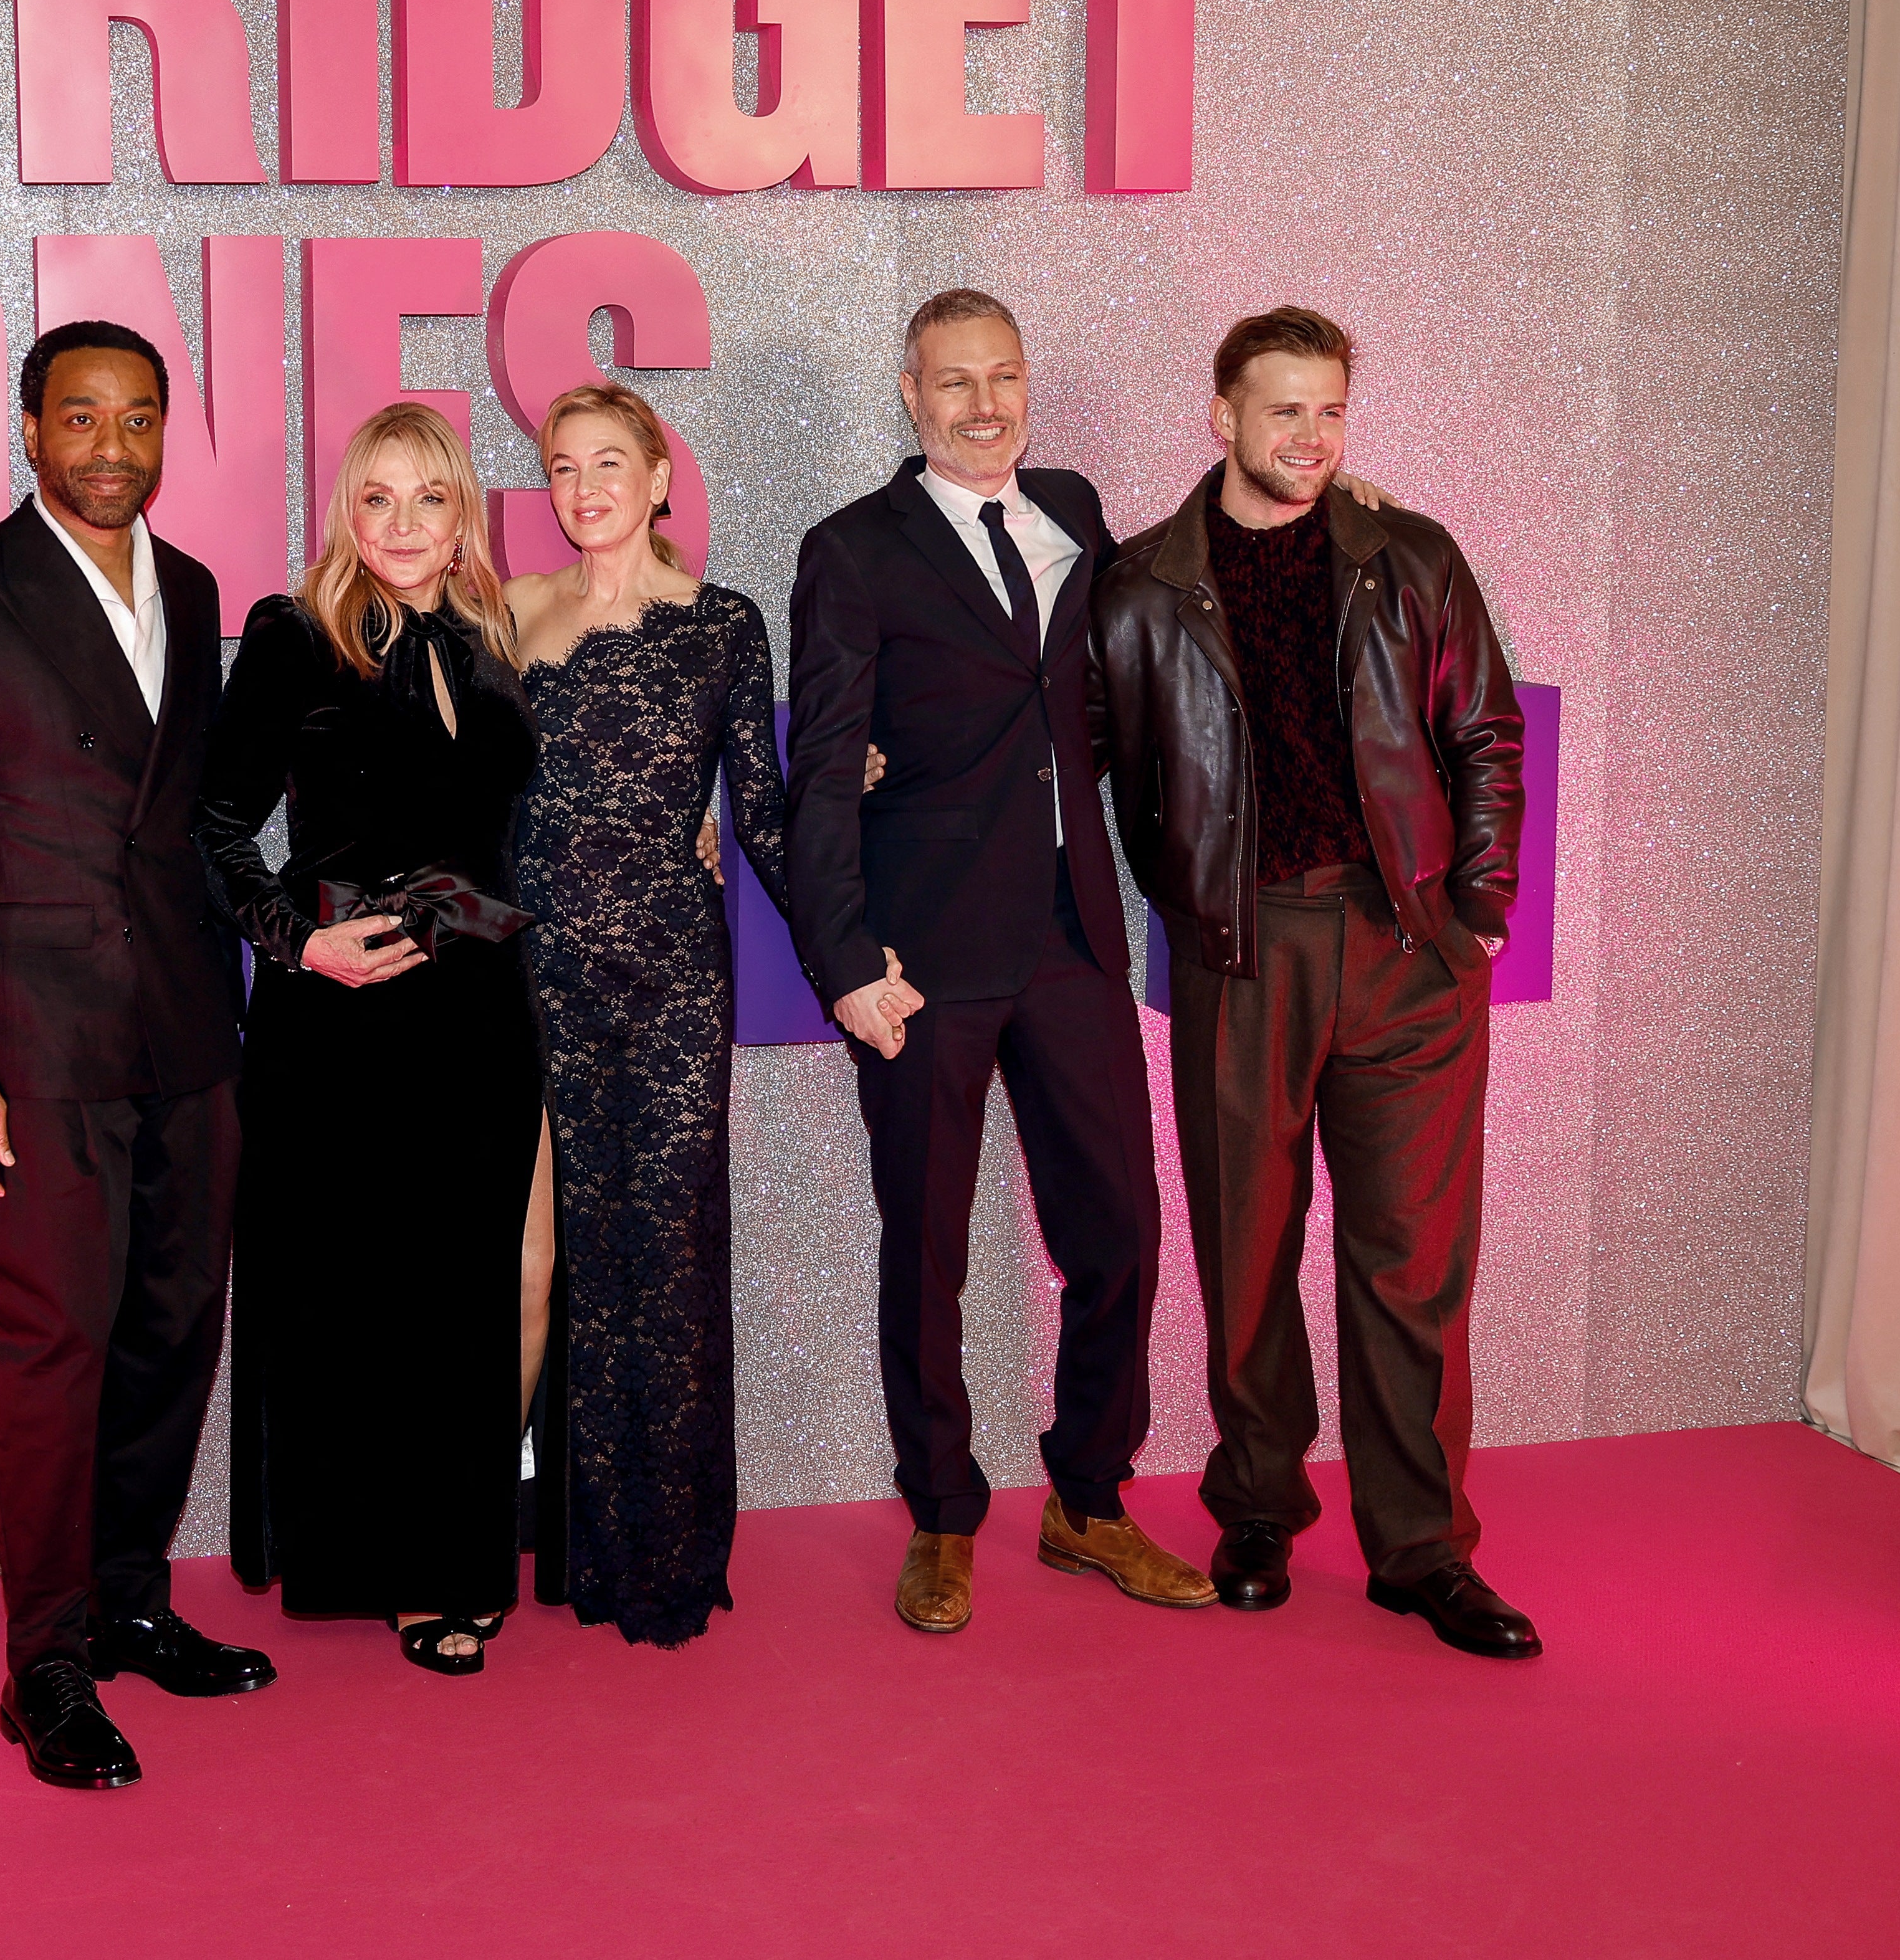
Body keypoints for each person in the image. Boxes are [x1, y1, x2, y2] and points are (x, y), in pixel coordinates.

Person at [1086, 306, 1538, 1658]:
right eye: (1282, 409)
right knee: (1246, 1255)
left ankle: (1417, 1550)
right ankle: (1259, 1507)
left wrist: (1479, 913)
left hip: (1407, 953)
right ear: (1219, 414)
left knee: (1410, 1266)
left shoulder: (1407, 556)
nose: (1309, 436)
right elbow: (1085, 763)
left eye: (1329, 410)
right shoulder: (1138, 586)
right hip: (1240, 951)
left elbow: (1487, 737)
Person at [0, 320, 269, 1794]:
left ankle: (127, 1599)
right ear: (27, 431)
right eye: (82, 416)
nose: (113, 445)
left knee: (172, 1334)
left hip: (186, 1034)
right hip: (26, 1052)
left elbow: (198, 832)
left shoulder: (195, 587)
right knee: (45, 1360)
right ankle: (43, 1663)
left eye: (140, 417)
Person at [783, 286, 1218, 1635]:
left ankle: (1090, 1496)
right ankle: (940, 1510)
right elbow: (820, 771)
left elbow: (1209, 543)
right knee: (927, 1245)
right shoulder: (851, 547)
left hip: (1071, 933)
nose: (983, 404)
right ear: (908, 395)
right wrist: (846, 957)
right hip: (920, 951)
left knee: (1121, 1229)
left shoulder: (1077, 511)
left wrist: (1344, 489)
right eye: (953, 381)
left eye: (1004, 377)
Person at [192, 403, 543, 1675]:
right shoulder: (294, 638)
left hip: (479, 1015)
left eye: (428, 499)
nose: (402, 523)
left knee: (463, 1289)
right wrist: (299, 943)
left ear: (461, 520)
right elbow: (214, 828)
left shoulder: (489, 642)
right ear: (349, 513)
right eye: (378, 498)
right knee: (357, 1296)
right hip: (338, 1016)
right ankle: (378, 1564)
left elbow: (512, 830)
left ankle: (458, 1557)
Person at [504, 383, 803, 1647]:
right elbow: (476, 800)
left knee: (665, 1263)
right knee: (552, 1263)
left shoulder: (724, 625)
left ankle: (665, 1560)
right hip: (532, 978)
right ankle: (557, 1546)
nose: (585, 488)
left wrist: (865, 906)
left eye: (609, 462)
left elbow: (768, 820)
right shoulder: (510, 612)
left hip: (674, 978)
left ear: (660, 476)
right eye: (563, 467)